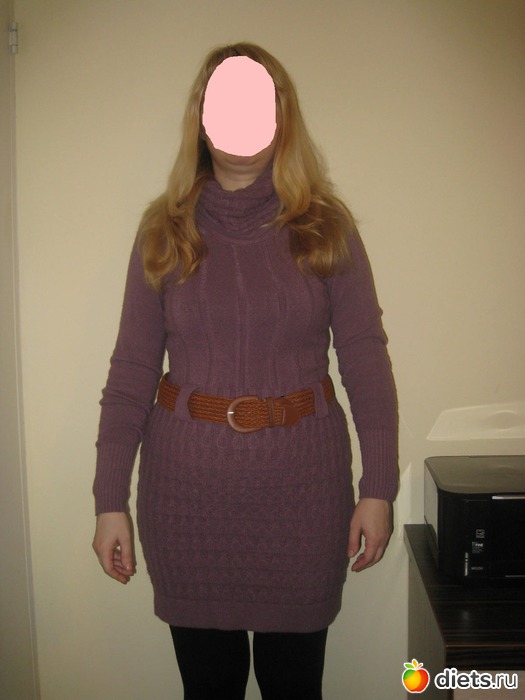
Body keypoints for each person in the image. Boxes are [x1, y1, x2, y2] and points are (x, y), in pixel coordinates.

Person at [92, 42, 398, 700]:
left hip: (304, 496)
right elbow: (130, 373)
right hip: (187, 500)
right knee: (208, 689)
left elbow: (366, 361)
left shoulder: (326, 228)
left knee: (295, 687)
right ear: (200, 119)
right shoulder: (163, 232)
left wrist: (378, 487)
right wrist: (108, 499)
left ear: (282, 116)